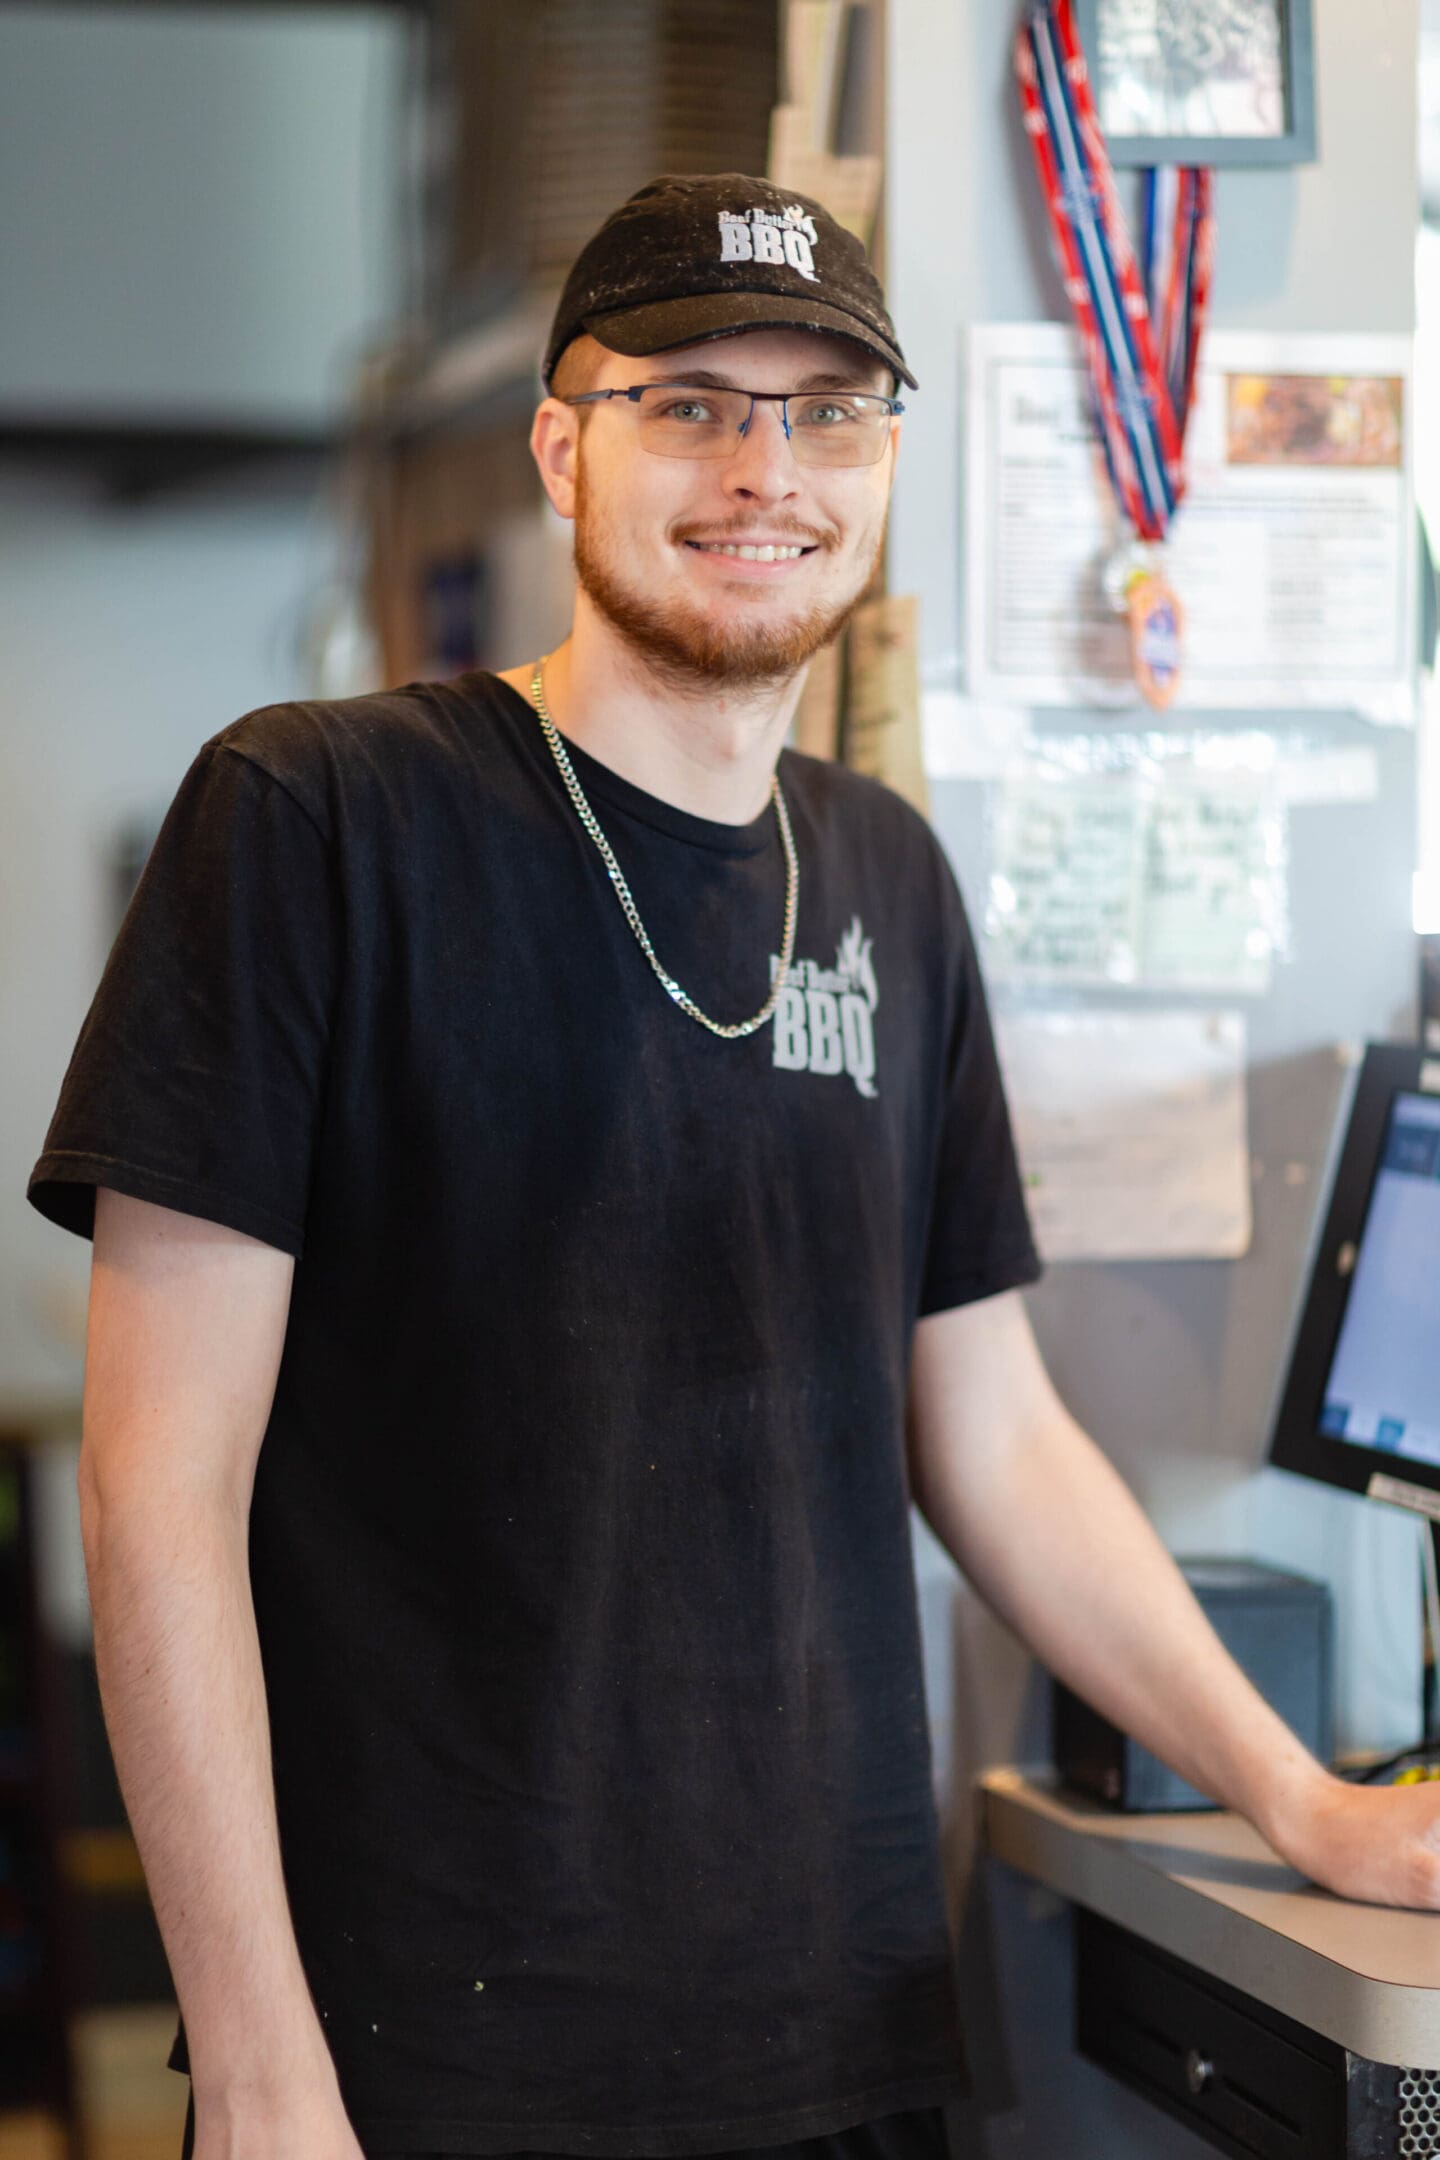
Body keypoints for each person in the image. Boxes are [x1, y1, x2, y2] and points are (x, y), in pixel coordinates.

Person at [24, 172, 1440, 2160]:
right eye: (688, 399)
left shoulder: (884, 875)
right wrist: (258, 2061)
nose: (761, 467)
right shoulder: (314, 824)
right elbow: (152, 1493)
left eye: (825, 411)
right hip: (419, 2058)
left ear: (879, 457)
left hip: (837, 2037)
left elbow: (999, 1436)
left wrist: (1302, 1800)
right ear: (559, 445)